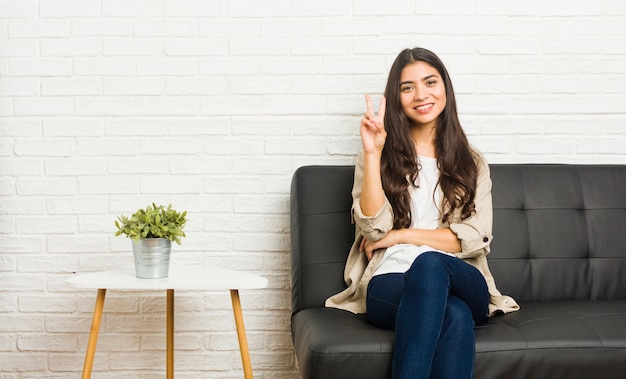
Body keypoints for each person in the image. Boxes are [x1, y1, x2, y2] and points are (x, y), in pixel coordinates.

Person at [325, 47, 520, 379]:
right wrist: (373, 154)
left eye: (430, 82)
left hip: (460, 277)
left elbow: (471, 240)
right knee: (454, 315)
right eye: (407, 87)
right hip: (390, 281)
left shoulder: (471, 162)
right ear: (397, 96)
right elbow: (373, 230)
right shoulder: (377, 155)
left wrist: (401, 235)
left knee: (429, 263)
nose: (421, 94)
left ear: (445, 87)